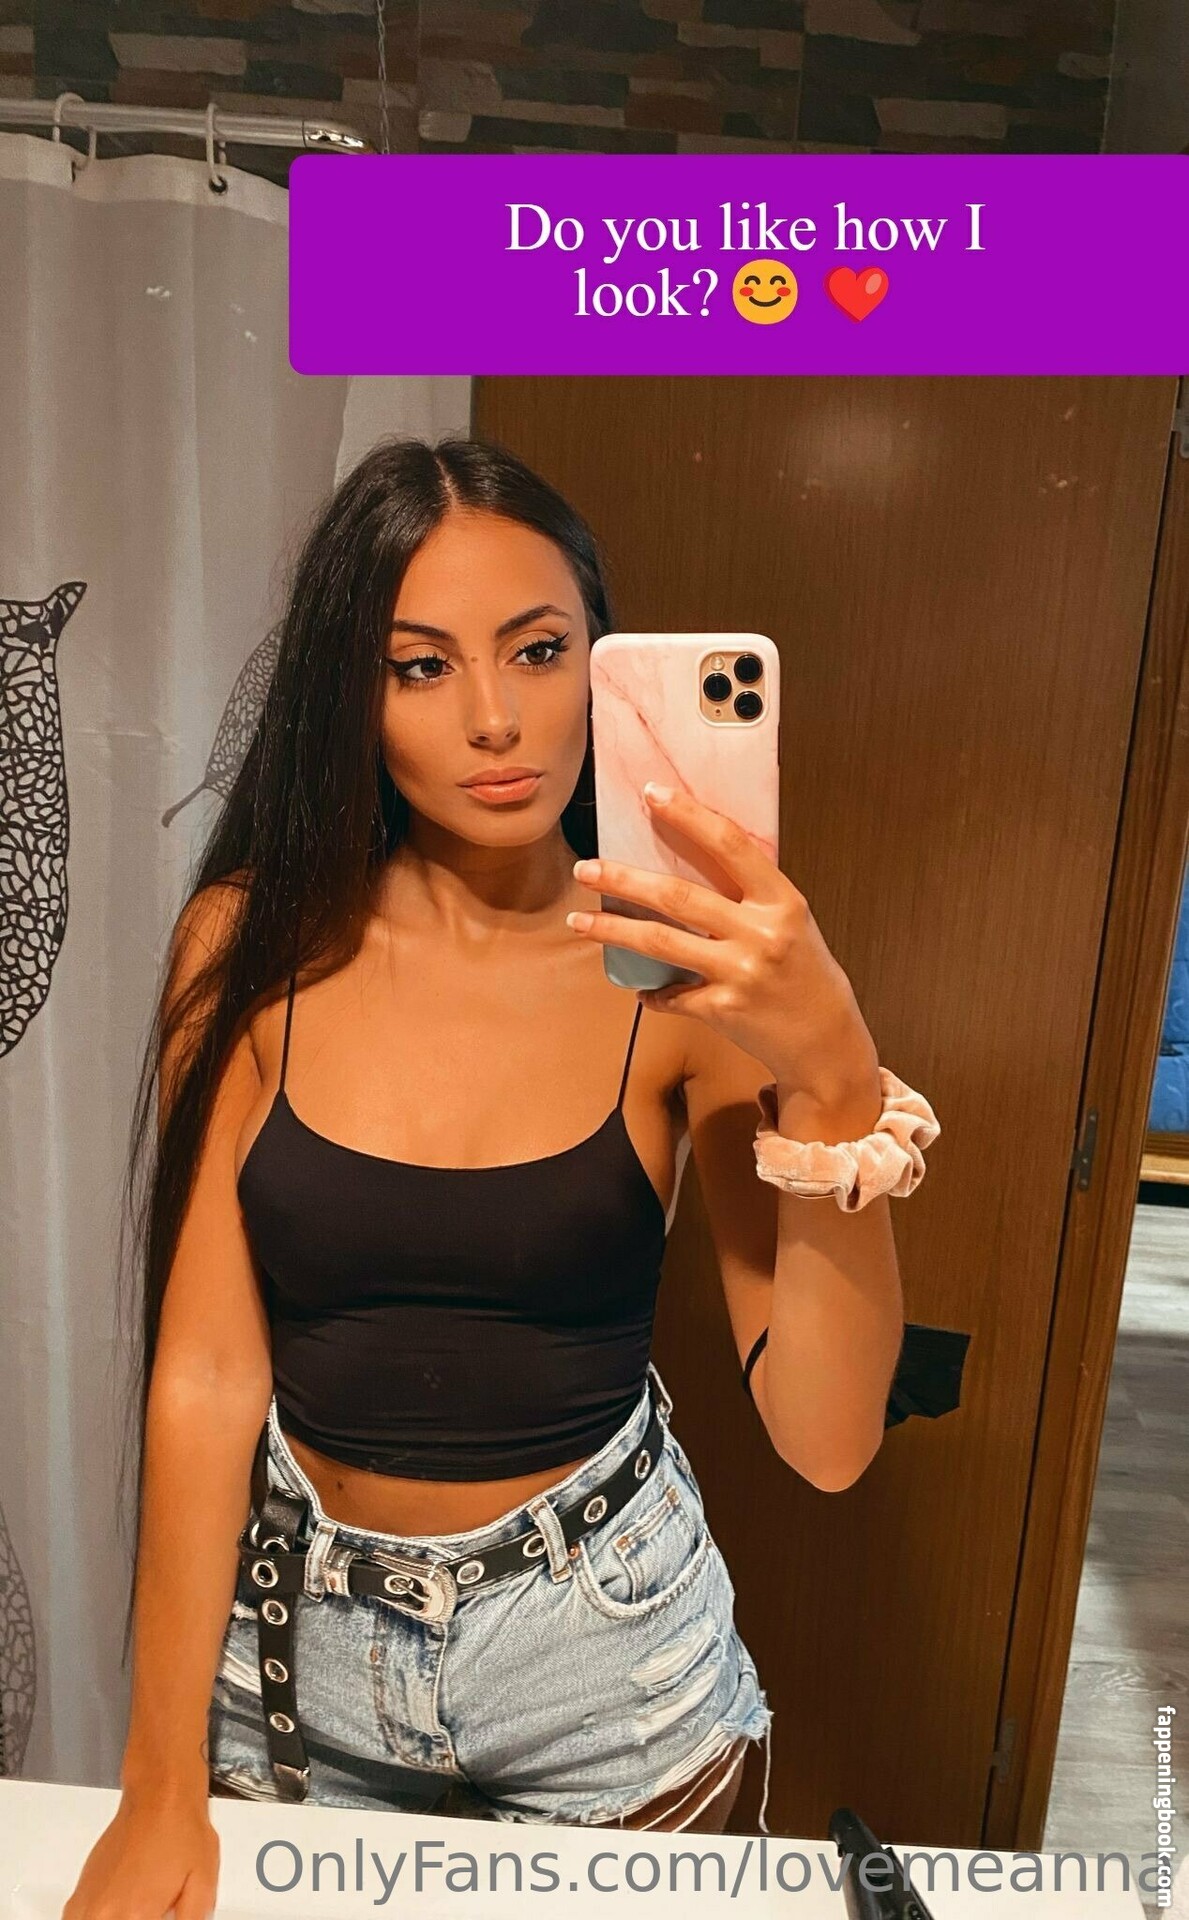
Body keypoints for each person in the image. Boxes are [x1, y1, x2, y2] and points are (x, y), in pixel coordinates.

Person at [65, 436, 916, 1920]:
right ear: (352, 694)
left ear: (601, 663)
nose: (494, 719)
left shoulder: (679, 979)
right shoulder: (247, 943)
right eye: (421, 667)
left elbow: (828, 1439)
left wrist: (834, 1068)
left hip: (609, 1681)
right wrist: (154, 1782)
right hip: (297, 1676)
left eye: (537, 651)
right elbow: (205, 1377)